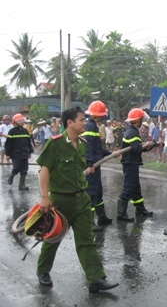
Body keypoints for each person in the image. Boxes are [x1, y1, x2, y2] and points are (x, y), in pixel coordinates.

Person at [36, 106, 119, 292]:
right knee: (53, 238)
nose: (84, 123)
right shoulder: (55, 143)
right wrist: (44, 197)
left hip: (81, 200)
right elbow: (44, 170)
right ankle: (43, 270)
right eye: (81, 120)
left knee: (86, 240)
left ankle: (96, 279)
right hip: (60, 201)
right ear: (70, 123)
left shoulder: (82, 143)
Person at [117, 108, 157, 222]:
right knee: (128, 188)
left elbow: (137, 147)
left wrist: (150, 145)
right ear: (138, 120)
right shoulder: (132, 132)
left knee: (136, 188)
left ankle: (140, 209)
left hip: (132, 163)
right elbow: (136, 149)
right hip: (130, 163)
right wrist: (144, 146)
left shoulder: (132, 131)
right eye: (141, 120)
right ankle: (121, 214)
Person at [82, 101, 113, 231]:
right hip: (92, 165)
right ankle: (89, 222)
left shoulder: (92, 125)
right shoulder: (90, 126)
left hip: (95, 163)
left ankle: (102, 217)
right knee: (91, 192)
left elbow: (97, 148)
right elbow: (88, 147)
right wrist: (90, 165)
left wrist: (110, 153)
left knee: (98, 191)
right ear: (99, 115)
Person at [5, 114, 34, 190]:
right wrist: (7, 154)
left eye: (22, 121)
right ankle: (12, 176)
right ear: (15, 122)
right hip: (15, 154)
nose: (22, 122)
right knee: (17, 167)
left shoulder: (25, 131)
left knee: (24, 169)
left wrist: (30, 152)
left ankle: (22, 185)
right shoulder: (12, 131)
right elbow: (8, 143)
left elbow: (28, 142)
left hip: (24, 153)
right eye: (19, 121)